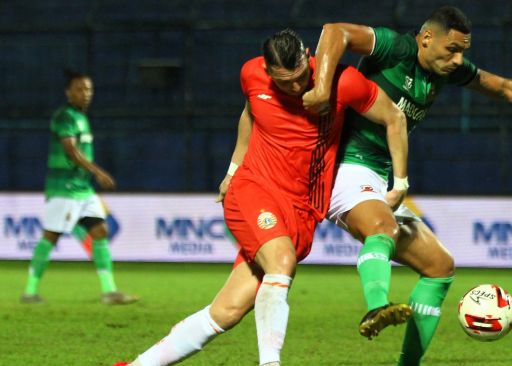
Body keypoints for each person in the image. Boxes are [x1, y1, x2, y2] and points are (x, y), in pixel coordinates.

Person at [302, 5, 512, 365]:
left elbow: (506, 88)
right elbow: (334, 30)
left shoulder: (446, 71)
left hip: (377, 173)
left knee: (440, 267)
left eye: (463, 51)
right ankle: (376, 308)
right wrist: (322, 88)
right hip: (345, 167)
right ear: (427, 38)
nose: (458, 59)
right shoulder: (395, 48)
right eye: (453, 49)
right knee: (382, 226)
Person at [114, 28, 408, 366]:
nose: (297, 88)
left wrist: (399, 181)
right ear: (268, 73)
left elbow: (394, 117)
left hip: (302, 209)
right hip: (255, 190)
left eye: (300, 77)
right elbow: (250, 115)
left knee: (227, 311)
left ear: (308, 56)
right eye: (285, 83)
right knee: (281, 260)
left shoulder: (343, 82)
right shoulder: (251, 74)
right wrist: (232, 171)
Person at [20, 69, 138, 306]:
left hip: (82, 189)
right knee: (51, 237)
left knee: (100, 231)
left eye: (88, 89)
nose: (85, 93)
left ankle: (109, 291)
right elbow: (71, 151)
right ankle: (30, 292)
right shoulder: (64, 117)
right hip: (63, 188)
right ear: (68, 92)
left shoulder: (82, 118)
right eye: (79, 89)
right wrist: (98, 171)